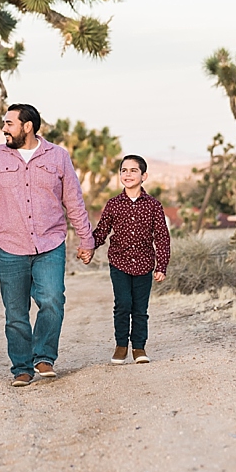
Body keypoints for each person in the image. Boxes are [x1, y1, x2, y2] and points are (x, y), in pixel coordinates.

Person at [0, 103, 95, 387]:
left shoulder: (58, 156)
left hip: (50, 243)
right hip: (9, 246)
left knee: (52, 300)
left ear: (28, 126)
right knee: (16, 313)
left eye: (9, 123)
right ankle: (22, 367)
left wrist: (86, 239)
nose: (4, 128)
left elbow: (73, 200)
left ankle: (44, 356)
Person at [93, 155, 171, 364]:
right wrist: (88, 247)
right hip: (119, 262)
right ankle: (121, 346)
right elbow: (102, 231)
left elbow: (162, 237)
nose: (128, 174)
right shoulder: (114, 204)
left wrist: (161, 266)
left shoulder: (154, 205)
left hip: (144, 264)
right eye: (124, 170)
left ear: (144, 176)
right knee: (123, 304)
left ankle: (139, 347)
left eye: (133, 170)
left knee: (140, 308)